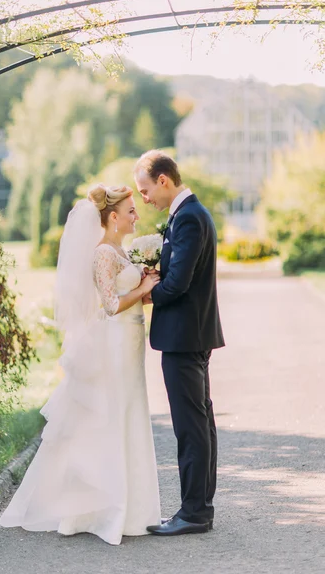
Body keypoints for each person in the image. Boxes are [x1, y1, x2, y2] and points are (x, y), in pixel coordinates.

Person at [0, 184, 161, 545]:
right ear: (113, 217)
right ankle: (103, 509)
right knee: (113, 416)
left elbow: (130, 299)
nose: (136, 215)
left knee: (131, 416)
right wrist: (144, 285)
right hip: (115, 343)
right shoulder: (103, 253)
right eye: (131, 210)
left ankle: (136, 510)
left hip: (132, 340)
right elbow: (109, 304)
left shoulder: (120, 250)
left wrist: (149, 289)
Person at [134, 150, 225, 536]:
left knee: (190, 427)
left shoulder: (188, 218)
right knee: (200, 422)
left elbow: (179, 283)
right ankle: (200, 507)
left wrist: (145, 292)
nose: (144, 198)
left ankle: (193, 513)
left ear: (164, 181)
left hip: (184, 337)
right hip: (192, 334)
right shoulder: (189, 215)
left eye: (145, 189)